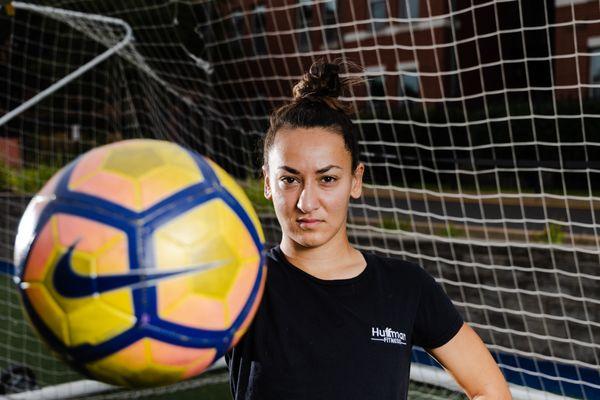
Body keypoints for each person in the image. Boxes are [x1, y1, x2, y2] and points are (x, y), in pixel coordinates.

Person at [225, 59, 511, 400]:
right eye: (289, 179)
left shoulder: (405, 286)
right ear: (267, 183)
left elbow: (490, 389)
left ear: (355, 180)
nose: (306, 202)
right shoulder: (240, 283)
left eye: (327, 178)